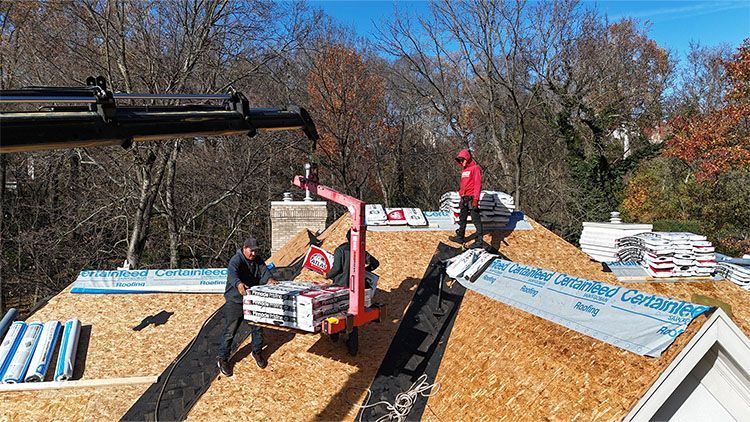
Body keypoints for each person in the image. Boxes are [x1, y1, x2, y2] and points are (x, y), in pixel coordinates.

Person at [217, 236, 277, 376]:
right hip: (235, 300)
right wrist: (238, 284)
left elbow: (264, 271)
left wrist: (269, 279)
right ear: (244, 248)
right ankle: (223, 357)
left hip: (251, 298)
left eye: (256, 251)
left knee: (257, 327)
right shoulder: (236, 260)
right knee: (231, 331)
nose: (254, 254)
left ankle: (257, 352)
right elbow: (232, 274)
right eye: (251, 251)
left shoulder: (258, 260)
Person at [326, 229, 379, 355]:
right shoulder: (362, 251)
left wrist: (327, 275)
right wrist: (366, 270)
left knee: (337, 311)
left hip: (340, 286)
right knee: (353, 316)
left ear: (347, 237)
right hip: (356, 289)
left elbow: (337, 269)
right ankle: (353, 347)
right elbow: (375, 263)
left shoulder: (341, 250)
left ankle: (335, 336)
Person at [448, 148, 484, 248]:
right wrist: (460, 193)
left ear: (467, 158)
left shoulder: (475, 168)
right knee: (462, 218)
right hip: (464, 198)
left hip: (472, 198)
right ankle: (460, 236)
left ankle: (479, 241)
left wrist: (476, 199)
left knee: (476, 219)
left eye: (462, 159)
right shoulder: (464, 171)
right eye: (459, 160)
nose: (461, 162)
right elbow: (464, 184)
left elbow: (478, 184)